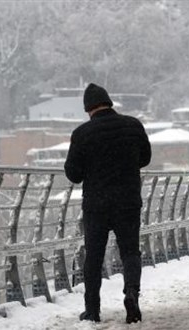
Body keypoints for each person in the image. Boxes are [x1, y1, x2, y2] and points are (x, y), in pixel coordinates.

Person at [64, 83, 151, 324]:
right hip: (128, 202)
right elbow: (145, 158)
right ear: (109, 102)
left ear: (88, 109)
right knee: (130, 251)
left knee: (93, 256)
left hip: (97, 205)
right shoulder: (133, 125)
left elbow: (73, 174)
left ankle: (92, 309)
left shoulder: (82, 134)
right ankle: (132, 293)